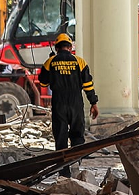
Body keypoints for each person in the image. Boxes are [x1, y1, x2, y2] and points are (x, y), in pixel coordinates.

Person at [38, 33, 100, 177]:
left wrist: (52, 67)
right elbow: (88, 85)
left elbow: (43, 83)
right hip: (76, 103)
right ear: (70, 47)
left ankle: (63, 172)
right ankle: (75, 165)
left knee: (61, 136)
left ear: (56, 48)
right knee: (77, 134)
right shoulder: (80, 62)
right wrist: (93, 102)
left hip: (59, 103)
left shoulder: (50, 62)